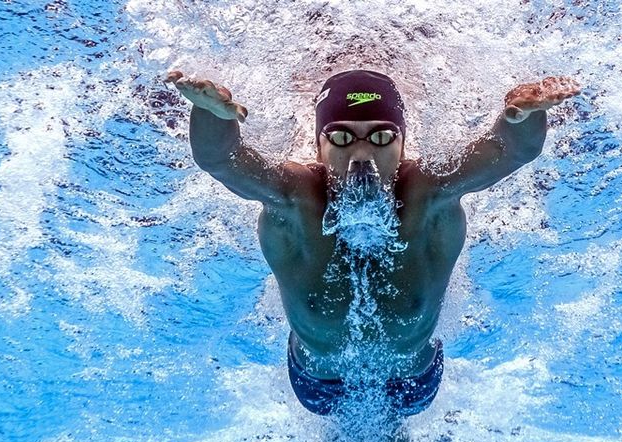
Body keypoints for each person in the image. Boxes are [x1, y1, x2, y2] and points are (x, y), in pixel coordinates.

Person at [165, 69, 580, 421]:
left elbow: (510, 150)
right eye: (342, 139)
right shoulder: (296, 200)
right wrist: (211, 114)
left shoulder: (428, 194)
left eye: (381, 137)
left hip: (413, 380)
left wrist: (519, 114)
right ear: (319, 147)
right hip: (318, 383)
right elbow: (224, 159)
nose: (361, 154)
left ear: (402, 145)